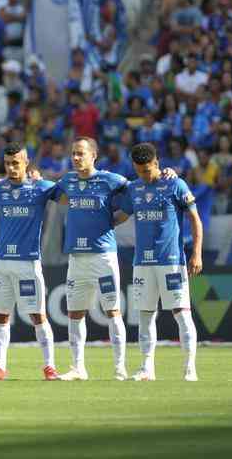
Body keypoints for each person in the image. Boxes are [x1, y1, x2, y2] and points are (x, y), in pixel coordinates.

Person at [117, 142, 202, 382]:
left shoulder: (175, 184)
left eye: (147, 170)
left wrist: (196, 253)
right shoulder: (133, 189)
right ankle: (146, 368)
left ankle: (189, 369)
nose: (143, 175)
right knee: (144, 315)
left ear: (156, 163)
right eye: (138, 170)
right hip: (142, 262)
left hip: (171, 261)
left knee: (182, 314)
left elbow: (195, 219)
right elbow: (121, 215)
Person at [51, 137, 131, 381]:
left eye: (81, 154)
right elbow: (53, 194)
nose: (76, 158)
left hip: (103, 257)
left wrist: (116, 219)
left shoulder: (110, 179)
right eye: (73, 154)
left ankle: (120, 368)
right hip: (77, 258)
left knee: (113, 311)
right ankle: (78, 368)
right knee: (75, 313)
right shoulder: (68, 181)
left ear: (93, 156)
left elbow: (137, 193)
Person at [0, 143, 60, 380]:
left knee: (38, 315)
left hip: (28, 262)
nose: (11, 167)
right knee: (0, 316)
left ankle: (49, 366)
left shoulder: (40, 188)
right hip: (2, 262)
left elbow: (66, 194)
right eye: (7, 163)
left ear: (26, 163)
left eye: (16, 163)